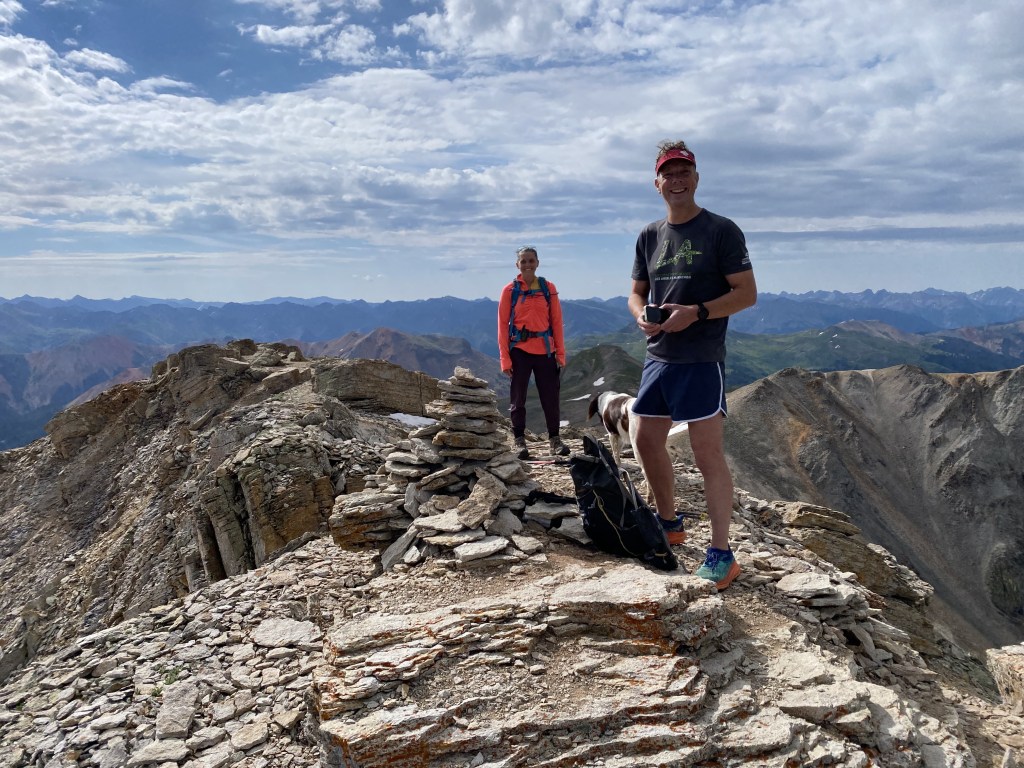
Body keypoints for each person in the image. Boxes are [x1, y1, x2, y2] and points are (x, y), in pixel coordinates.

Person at [629, 140, 757, 591]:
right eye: (669, 173)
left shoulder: (721, 230)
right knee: (645, 439)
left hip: (702, 357)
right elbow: (636, 292)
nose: (677, 180)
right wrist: (641, 315)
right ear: (657, 183)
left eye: (684, 172)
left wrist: (697, 313)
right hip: (659, 354)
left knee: (706, 455)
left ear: (697, 179)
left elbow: (746, 294)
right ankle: (669, 523)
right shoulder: (649, 235)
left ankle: (722, 554)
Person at [498, 246, 569, 459]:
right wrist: (505, 358)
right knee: (518, 398)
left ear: (537, 263)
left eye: (531, 260)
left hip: (545, 351)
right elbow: (502, 325)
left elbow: (556, 321)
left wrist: (560, 353)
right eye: (524, 261)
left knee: (550, 397)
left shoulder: (548, 288)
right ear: (517, 265)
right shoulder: (509, 290)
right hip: (519, 350)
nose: (527, 264)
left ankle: (554, 440)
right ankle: (519, 440)